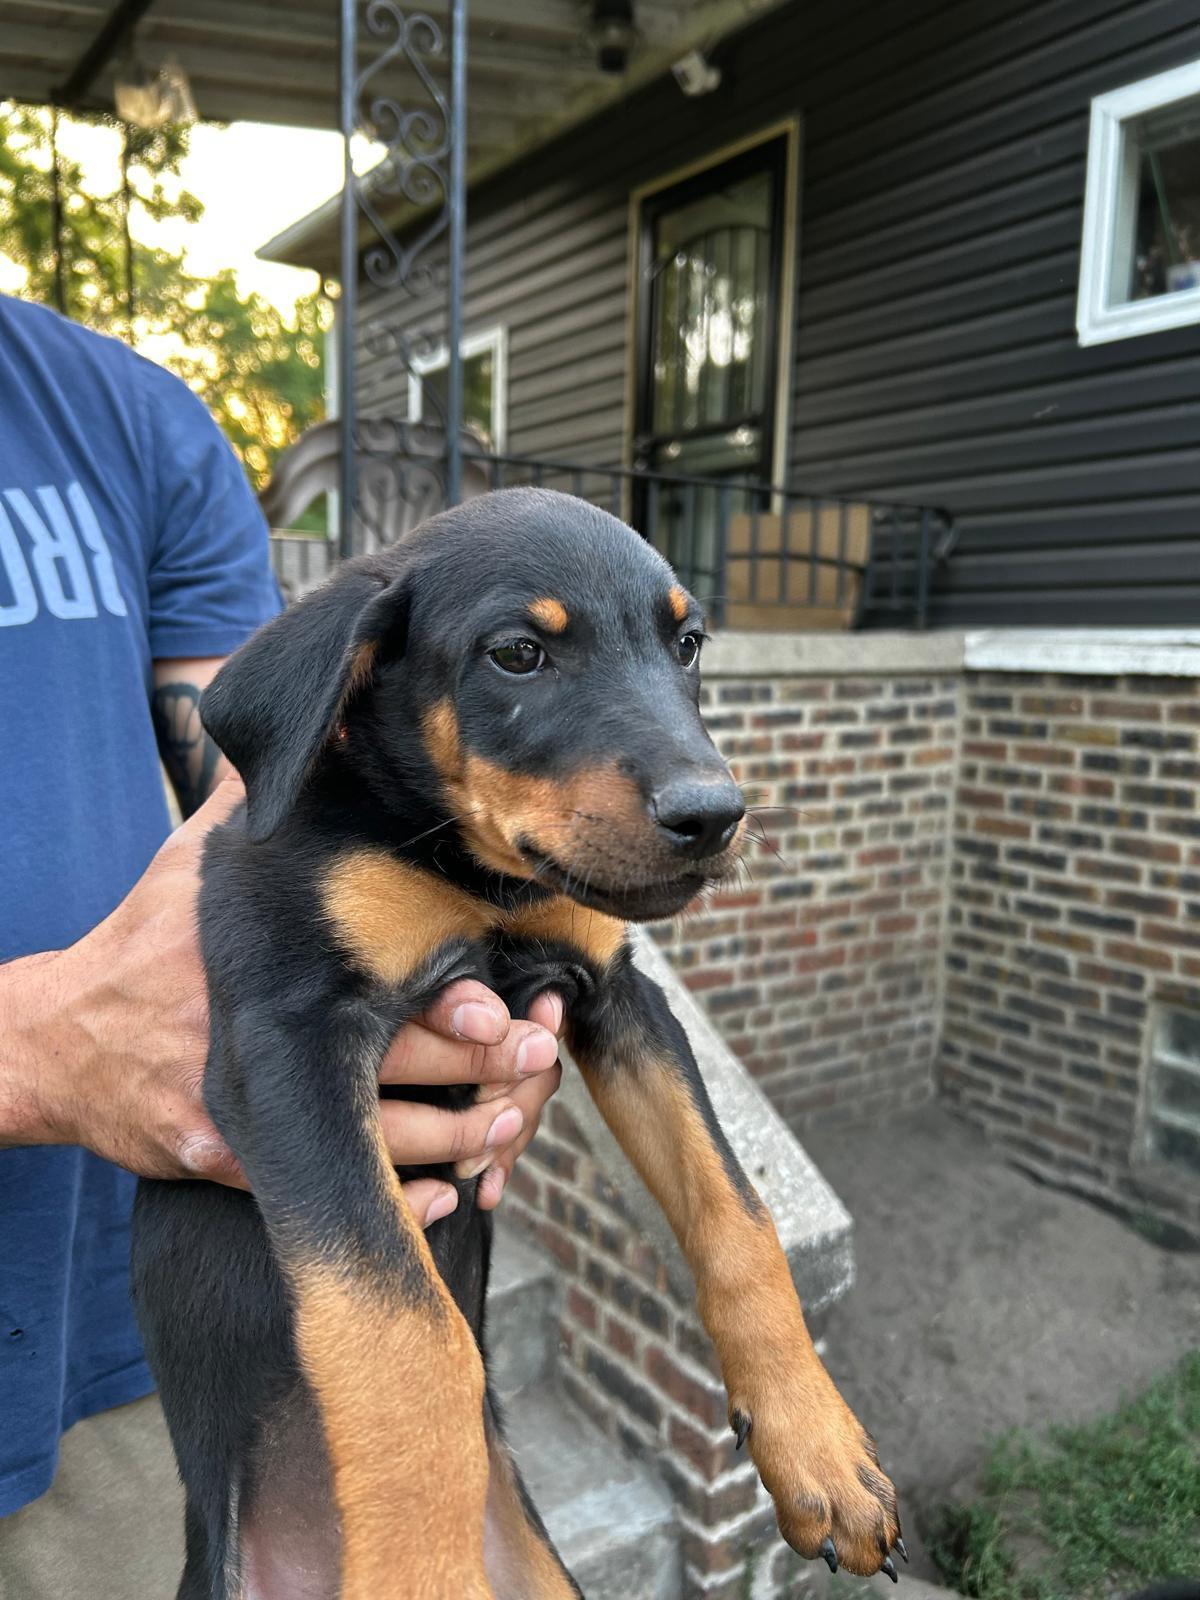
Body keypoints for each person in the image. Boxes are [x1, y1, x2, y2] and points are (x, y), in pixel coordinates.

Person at [0, 294, 561, 1590]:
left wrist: (436, 980)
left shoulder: (120, 414)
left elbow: (260, 795)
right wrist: (35, 1047)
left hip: (118, 1351)